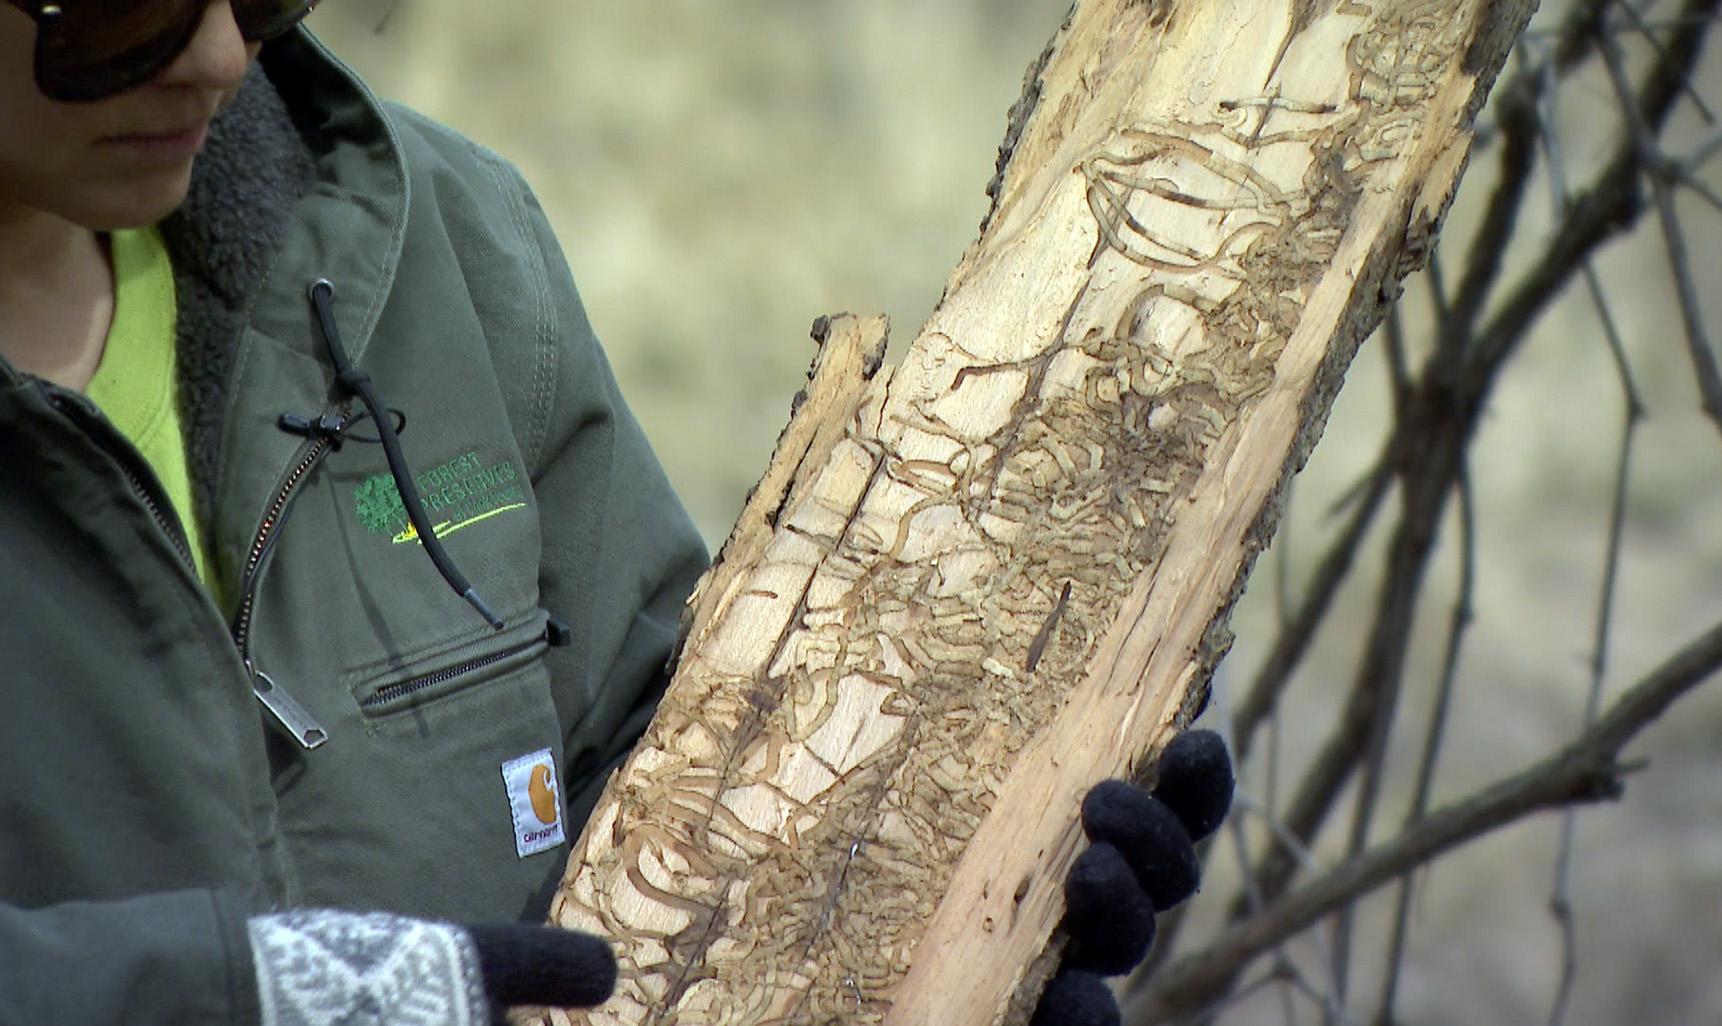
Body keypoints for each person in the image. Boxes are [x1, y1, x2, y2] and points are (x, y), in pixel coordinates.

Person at [0, 4, 1233, 1025]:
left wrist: (936, 876)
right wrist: (213, 999)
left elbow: (660, 781)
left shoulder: (437, 244)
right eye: (124, 8)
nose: (220, 54)